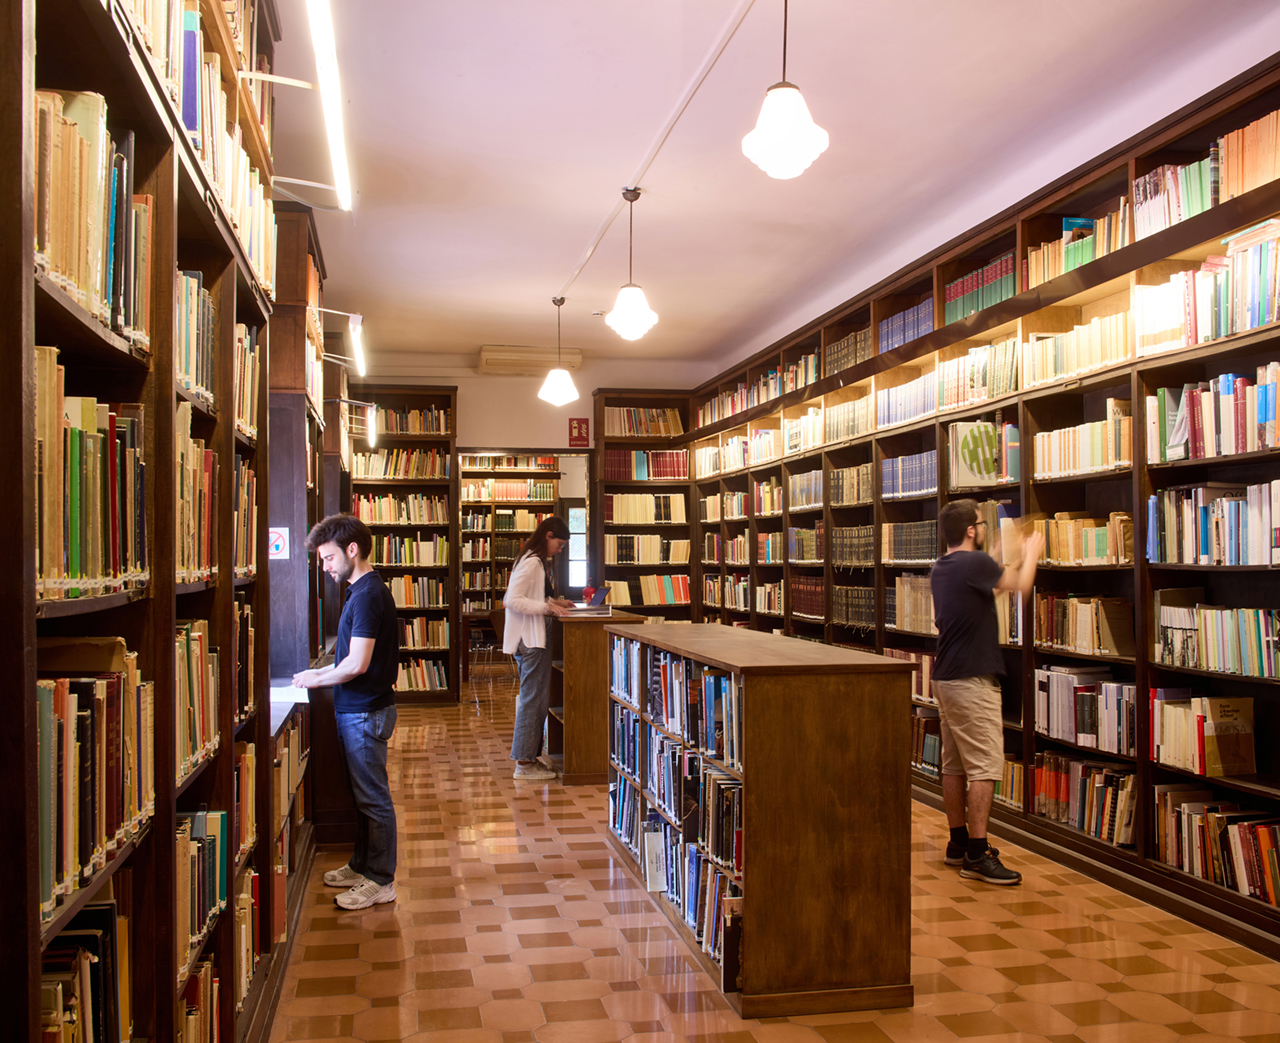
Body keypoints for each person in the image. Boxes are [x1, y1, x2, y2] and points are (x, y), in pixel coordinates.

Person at [929, 499, 1044, 886]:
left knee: (955, 764)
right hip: (972, 679)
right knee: (984, 767)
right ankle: (978, 854)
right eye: (981, 524)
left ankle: (958, 843)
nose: (984, 528)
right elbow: (1021, 586)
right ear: (970, 531)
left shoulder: (943, 567)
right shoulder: (975, 565)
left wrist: (1000, 555)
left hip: (945, 676)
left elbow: (983, 592)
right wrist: (1031, 554)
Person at [293, 513, 401, 910]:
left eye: (328, 558)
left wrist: (313, 679)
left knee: (374, 798)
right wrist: (318, 674)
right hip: (357, 709)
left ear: (351, 550)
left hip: (366, 711)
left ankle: (381, 879)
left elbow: (357, 663)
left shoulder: (369, 594)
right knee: (362, 797)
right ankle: (362, 866)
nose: (325, 567)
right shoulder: (360, 591)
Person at [504, 516, 573, 781]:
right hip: (531, 640)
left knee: (535, 699)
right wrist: (546, 608)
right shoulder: (532, 561)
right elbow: (513, 599)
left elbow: (529, 596)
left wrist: (554, 601)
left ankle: (528, 760)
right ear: (548, 535)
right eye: (560, 544)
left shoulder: (530, 558)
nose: (560, 550)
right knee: (533, 700)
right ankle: (524, 764)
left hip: (528, 638)